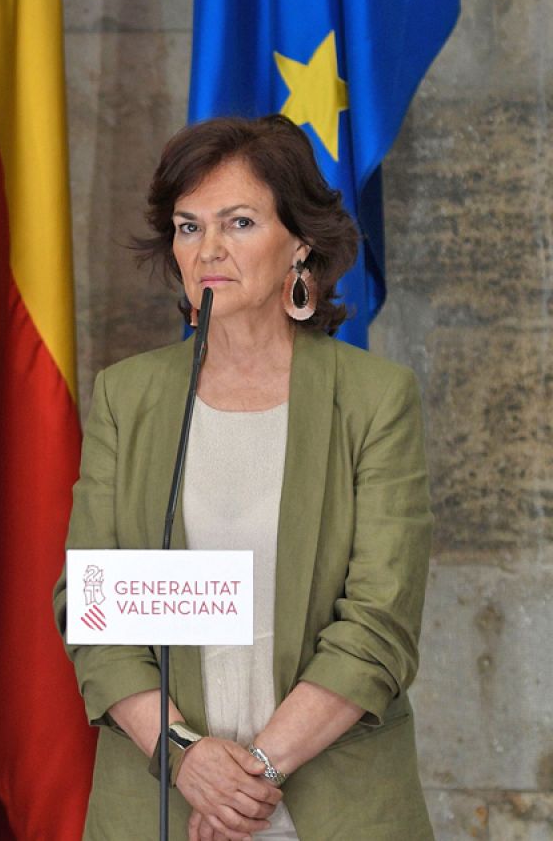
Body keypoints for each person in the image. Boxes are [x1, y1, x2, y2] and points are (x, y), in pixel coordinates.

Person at [52, 115, 434, 840]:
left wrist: (250, 776)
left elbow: (378, 627)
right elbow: (93, 608)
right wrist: (187, 759)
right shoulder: (128, 398)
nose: (210, 250)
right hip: (162, 806)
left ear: (300, 243)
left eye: (239, 222)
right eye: (189, 227)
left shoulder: (374, 400)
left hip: (335, 808)